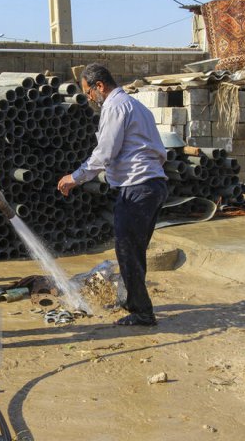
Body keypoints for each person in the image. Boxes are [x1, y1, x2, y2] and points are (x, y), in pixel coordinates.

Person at [57, 63, 168, 326]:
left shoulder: (115, 107)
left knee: (128, 250)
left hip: (137, 187)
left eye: (88, 92)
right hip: (151, 185)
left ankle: (142, 312)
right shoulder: (136, 105)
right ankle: (133, 302)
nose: (89, 98)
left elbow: (105, 153)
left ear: (100, 86)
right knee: (134, 249)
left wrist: (75, 178)